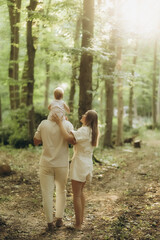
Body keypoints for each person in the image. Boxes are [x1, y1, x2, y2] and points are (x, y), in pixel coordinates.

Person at [53, 110, 99, 230]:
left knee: (76, 195)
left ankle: (78, 224)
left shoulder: (84, 130)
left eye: (85, 115)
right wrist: (65, 125)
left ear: (88, 119)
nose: (82, 116)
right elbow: (74, 139)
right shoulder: (90, 131)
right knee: (80, 193)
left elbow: (69, 138)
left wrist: (59, 123)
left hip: (80, 164)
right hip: (87, 163)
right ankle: (81, 220)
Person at [33, 118, 74, 232]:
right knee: (61, 191)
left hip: (46, 163)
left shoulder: (43, 123)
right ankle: (59, 219)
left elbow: (36, 141)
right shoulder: (67, 124)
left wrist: (45, 136)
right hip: (61, 164)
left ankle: (50, 223)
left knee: (47, 193)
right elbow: (73, 141)